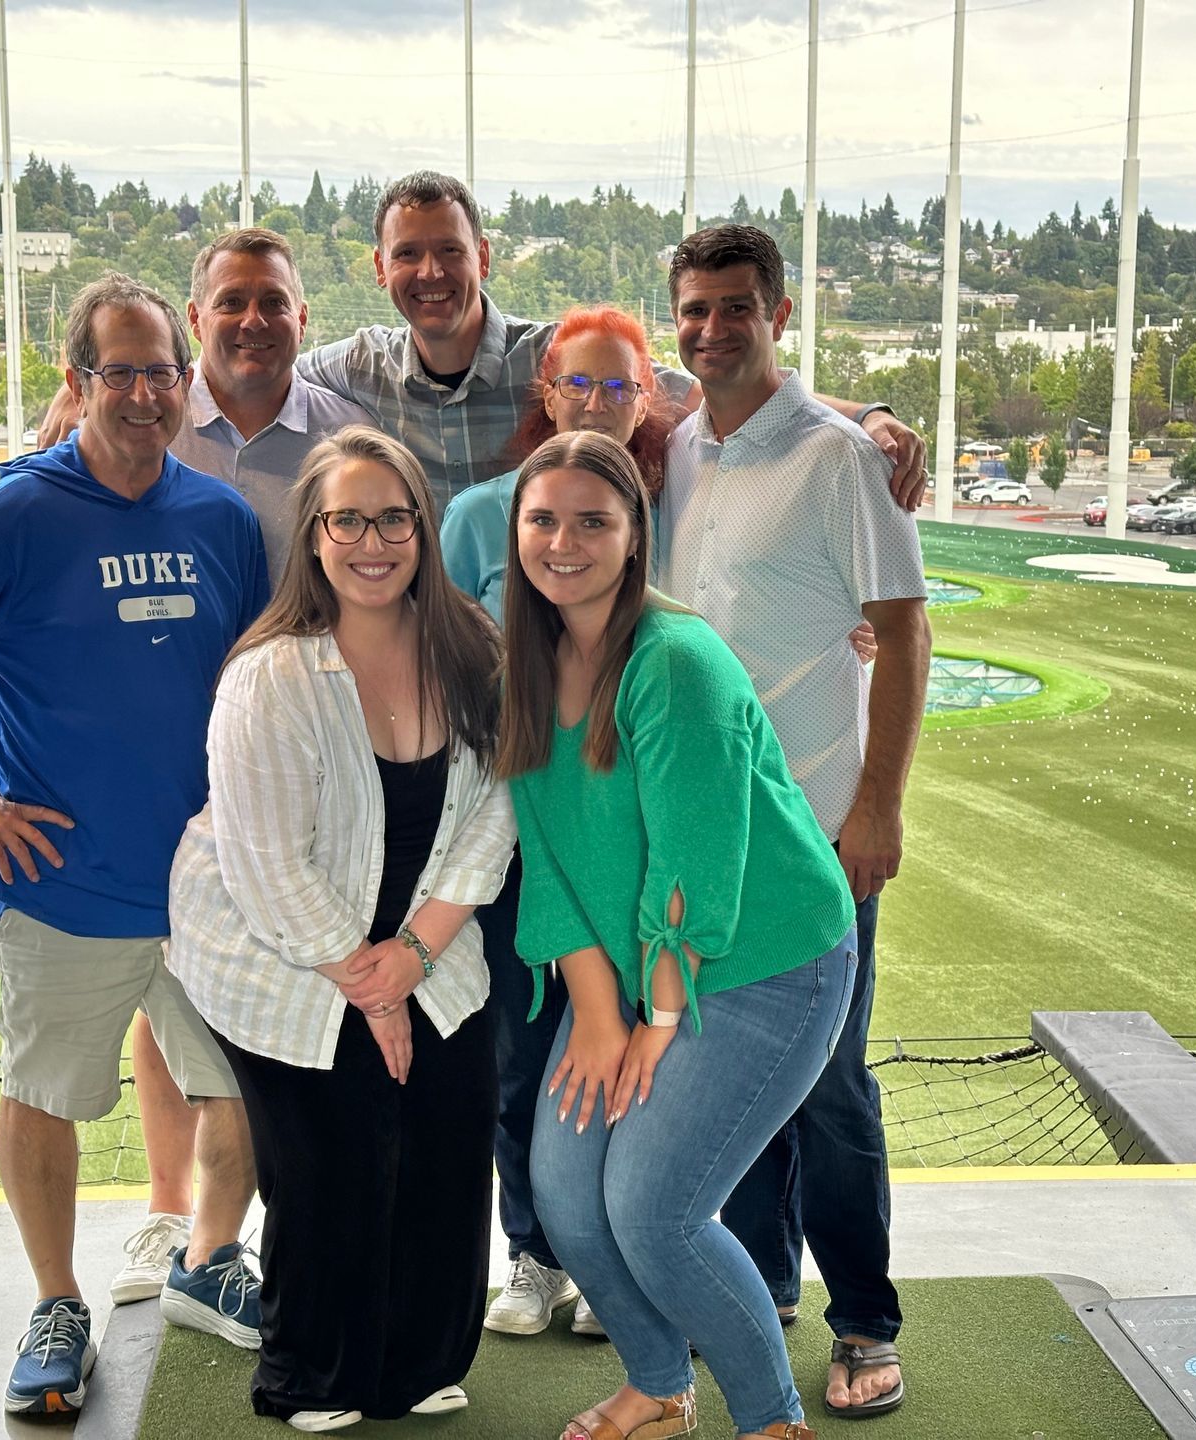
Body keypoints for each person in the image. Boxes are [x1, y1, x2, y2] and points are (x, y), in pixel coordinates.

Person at [0, 274, 268, 1420]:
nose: (143, 393)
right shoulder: (14, 517)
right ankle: (55, 1303)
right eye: (118, 370)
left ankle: (210, 1260)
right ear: (76, 383)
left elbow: (262, 688)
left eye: (161, 371)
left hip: (206, 890)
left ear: (188, 384)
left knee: (241, 1089)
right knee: (42, 1097)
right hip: (58, 887)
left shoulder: (220, 520)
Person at [501, 430, 859, 1440]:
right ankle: (660, 1390)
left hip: (765, 965)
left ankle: (771, 1420)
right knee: (568, 1198)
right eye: (543, 519)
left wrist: (653, 1022)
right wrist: (599, 1017)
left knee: (655, 1211)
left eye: (592, 522)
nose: (563, 542)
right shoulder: (523, 666)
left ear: (632, 534)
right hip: (631, 975)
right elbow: (553, 860)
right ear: (515, 528)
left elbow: (690, 875)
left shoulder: (677, 659)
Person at [167, 426, 514, 1433]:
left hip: (430, 945)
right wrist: (368, 991)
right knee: (335, 1163)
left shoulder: (473, 649)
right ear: (313, 538)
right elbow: (267, 866)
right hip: (284, 958)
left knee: (450, 1142)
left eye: (393, 517)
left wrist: (410, 961)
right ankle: (311, 1376)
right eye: (346, 520)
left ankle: (418, 1362)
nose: (373, 540)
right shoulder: (270, 676)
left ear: (422, 527)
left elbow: (494, 812)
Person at [658, 226, 931, 1419]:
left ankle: (864, 1317)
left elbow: (904, 630)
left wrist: (878, 803)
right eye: (695, 309)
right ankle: (764, 1281)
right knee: (741, 1068)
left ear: (778, 312)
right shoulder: (675, 449)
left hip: (823, 828)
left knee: (827, 1083)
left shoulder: (837, 460)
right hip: (714, 832)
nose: (713, 329)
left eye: (735, 308)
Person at [110, 227, 370, 1312]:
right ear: (197, 315)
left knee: (278, 981)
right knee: (169, 989)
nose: (254, 321)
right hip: (173, 752)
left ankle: (245, 1228)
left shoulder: (345, 431)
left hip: (305, 753)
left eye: (274, 303)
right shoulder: (150, 425)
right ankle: (173, 1218)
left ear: (303, 318)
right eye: (232, 304)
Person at [441, 305, 678, 1339]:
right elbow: (448, 669)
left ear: (647, 399)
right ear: (545, 389)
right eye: (577, 384)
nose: (595, 402)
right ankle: (537, 1254)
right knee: (521, 1060)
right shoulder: (486, 513)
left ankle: (614, 1257)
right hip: (517, 846)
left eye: (618, 386)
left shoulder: (668, 504)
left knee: (637, 1054)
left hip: (630, 848)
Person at [293, 170, 929, 508]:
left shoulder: (564, 359)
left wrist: (865, 415)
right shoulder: (360, 363)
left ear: (482, 257)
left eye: (449, 251)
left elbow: (724, 384)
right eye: (408, 254)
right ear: (380, 267)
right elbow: (263, 371)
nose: (430, 273)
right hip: (433, 656)